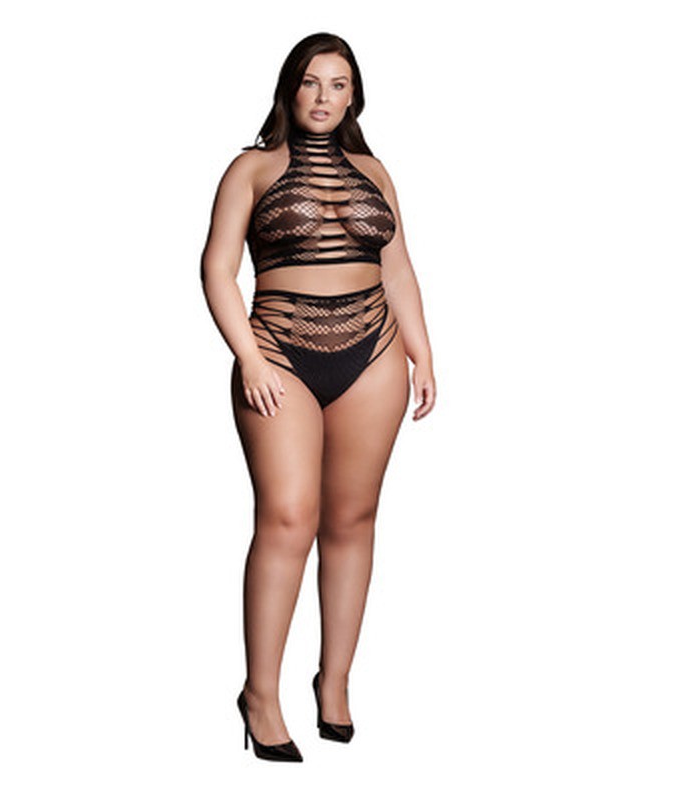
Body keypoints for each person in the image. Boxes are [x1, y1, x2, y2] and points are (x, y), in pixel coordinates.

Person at [200, 32, 436, 762]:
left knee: (353, 518)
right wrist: (247, 356)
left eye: (339, 84)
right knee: (287, 516)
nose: (324, 97)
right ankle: (260, 695)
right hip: (278, 355)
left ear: (354, 95)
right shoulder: (251, 168)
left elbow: (398, 267)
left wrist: (423, 351)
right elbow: (216, 269)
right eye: (311, 82)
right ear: (290, 88)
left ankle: (334, 683)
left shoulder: (375, 171)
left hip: (374, 353)